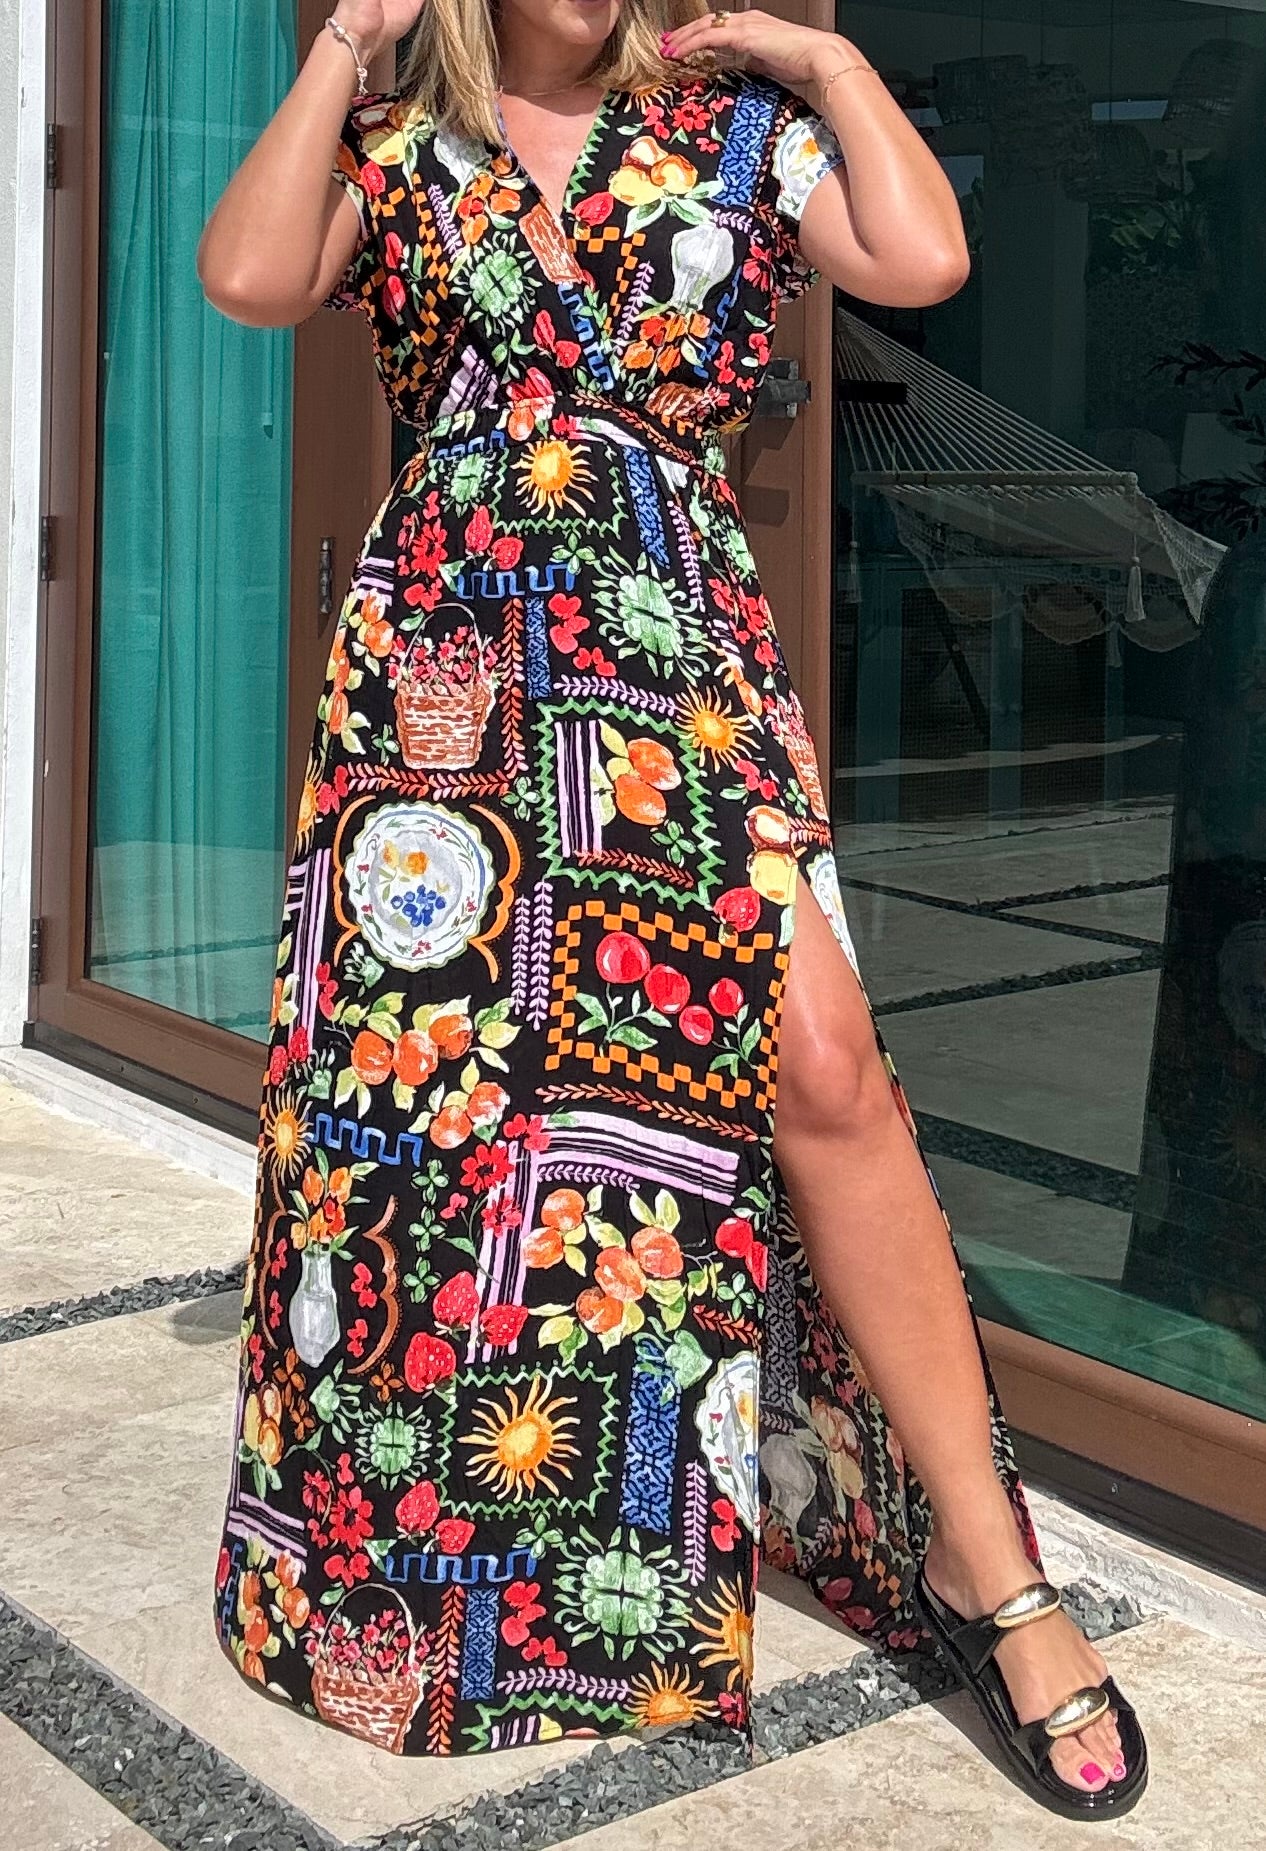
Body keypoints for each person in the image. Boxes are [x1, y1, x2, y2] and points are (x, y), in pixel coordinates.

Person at [198, 0, 1146, 1816]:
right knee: (444, 1128)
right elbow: (247, 277)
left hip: (668, 664)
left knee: (824, 1074)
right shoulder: (396, 145)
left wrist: (825, 65)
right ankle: (445, 1580)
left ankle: (989, 1569)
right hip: (445, 688)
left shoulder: (732, 136)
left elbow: (922, 259)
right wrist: (341, 46)